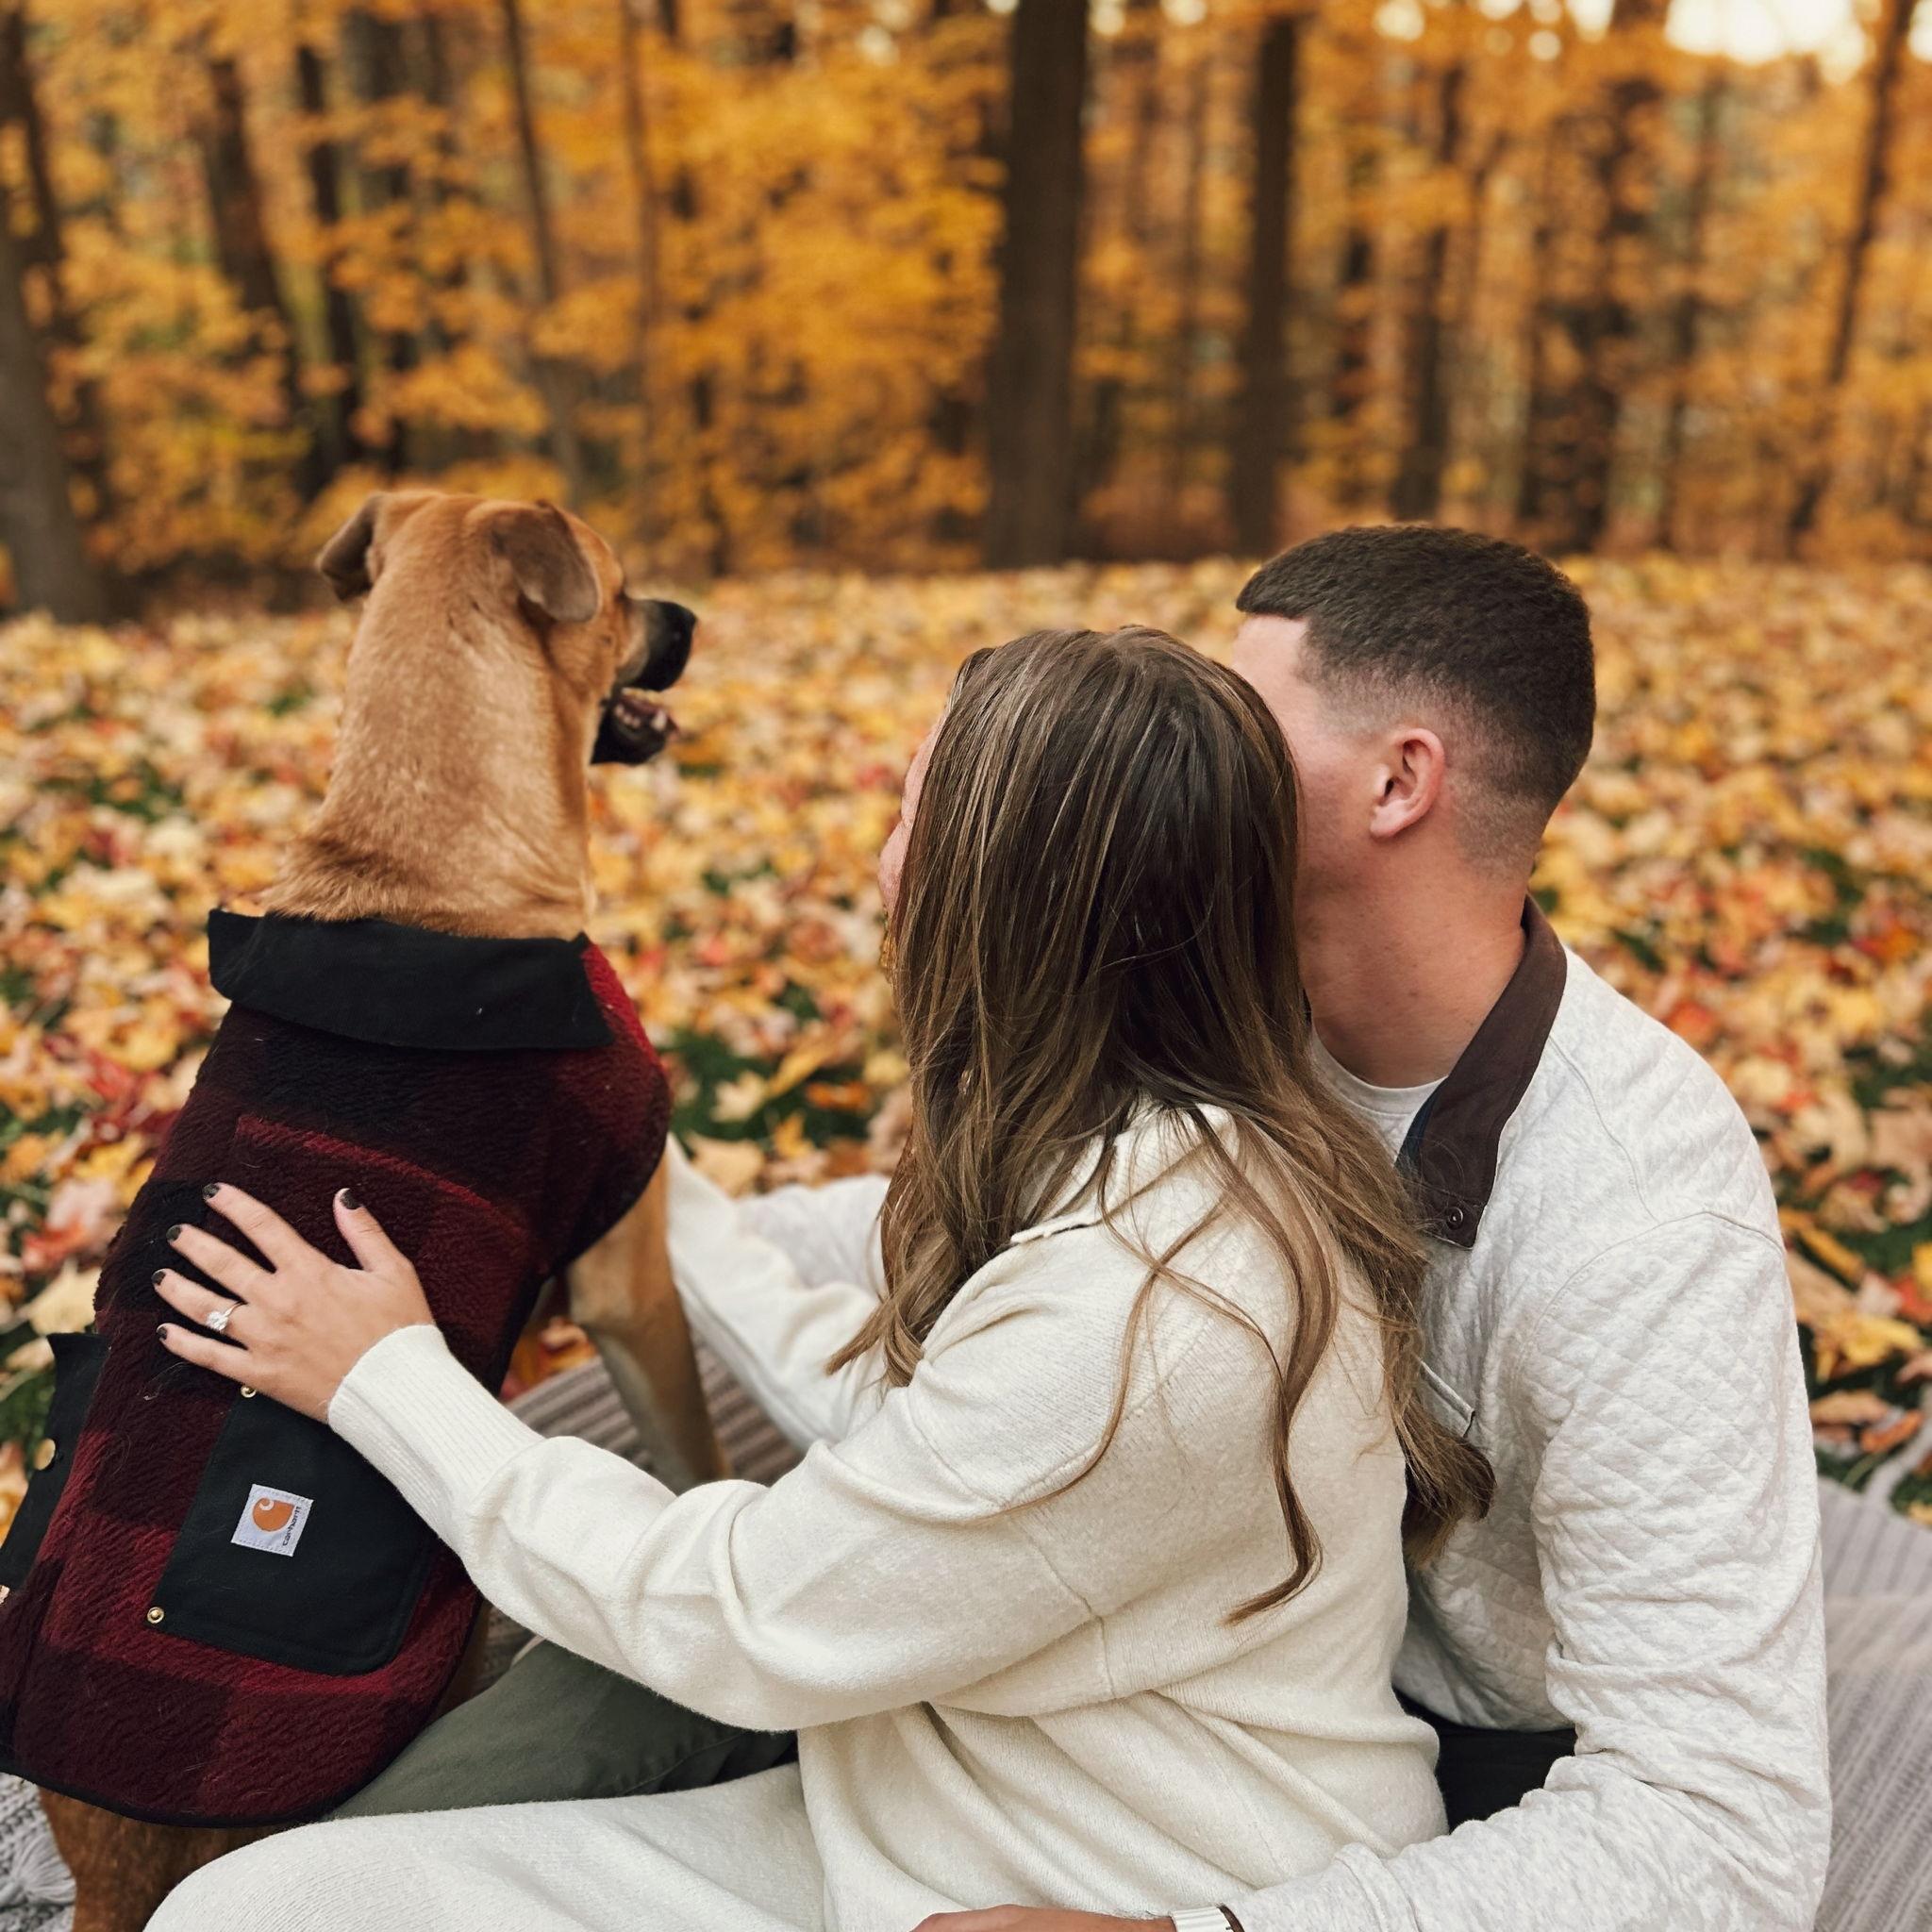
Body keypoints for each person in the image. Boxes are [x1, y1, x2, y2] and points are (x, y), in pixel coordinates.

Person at [147, 626, 1491, 1932]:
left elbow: (744, 1614)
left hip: (1099, 1887)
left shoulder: (1148, 1311)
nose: (884, 858)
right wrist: (636, 1166)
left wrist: (386, 1380)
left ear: (1000, 896)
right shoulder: (1186, 1152)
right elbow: (927, 1444)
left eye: (913, 811)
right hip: (935, 1811)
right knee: (262, 1911)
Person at [912, 527, 1832, 1932]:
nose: (1189, 742)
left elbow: (1724, 1829)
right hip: (1173, 1642)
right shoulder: (1216, 1000)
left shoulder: (1641, 1216)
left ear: (1399, 782)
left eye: (1243, 718)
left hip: (1452, 1781)